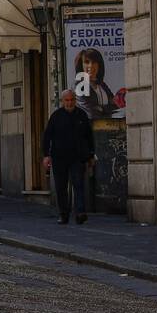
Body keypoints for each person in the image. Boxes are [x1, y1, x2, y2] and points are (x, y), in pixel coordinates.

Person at [43, 88, 95, 224]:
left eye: (72, 100)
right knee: (61, 187)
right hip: (59, 157)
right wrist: (46, 155)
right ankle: (63, 214)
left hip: (77, 157)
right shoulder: (56, 116)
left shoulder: (81, 115)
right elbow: (47, 136)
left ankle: (80, 212)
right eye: (67, 100)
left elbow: (89, 136)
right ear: (62, 101)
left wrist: (90, 155)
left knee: (78, 185)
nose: (69, 103)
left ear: (75, 100)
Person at [74, 48, 119, 119]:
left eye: (94, 62)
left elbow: (116, 104)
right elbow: (91, 113)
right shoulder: (80, 86)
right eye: (86, 62)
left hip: (108, 127)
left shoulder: (101, 84)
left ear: (99, 65)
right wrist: (108, 108)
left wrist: (101, 109)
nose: (91, 65)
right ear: (81, 65)